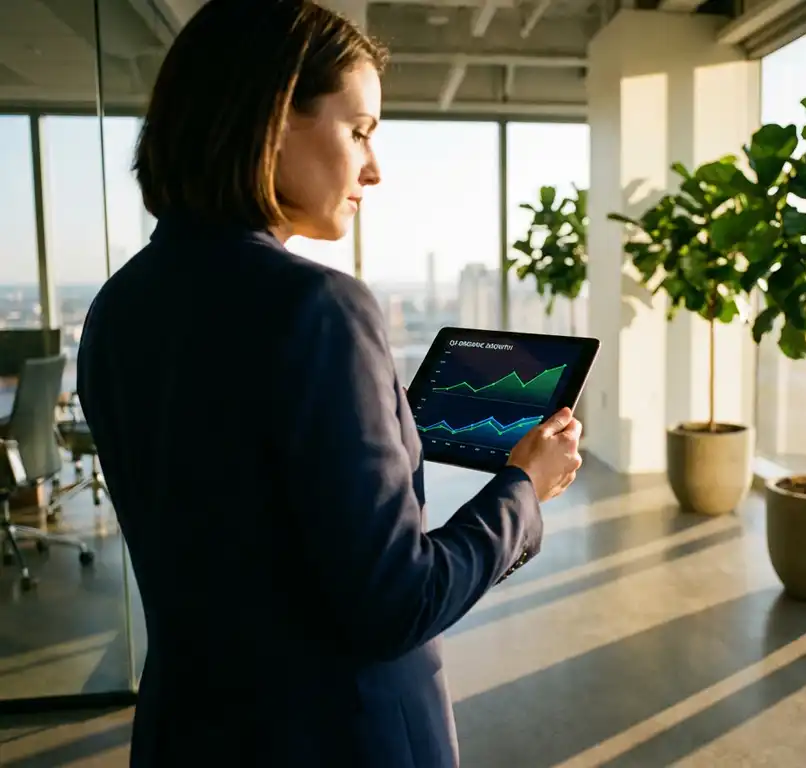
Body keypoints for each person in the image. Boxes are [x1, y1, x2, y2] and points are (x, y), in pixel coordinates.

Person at [75, 1, 583, 766]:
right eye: (360, 131)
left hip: (190, 734)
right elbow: (396, 603)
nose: (373, 169)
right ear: (273, 120)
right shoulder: (320, 307)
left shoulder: (117, 308)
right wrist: (523, 489)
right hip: (339, 737)